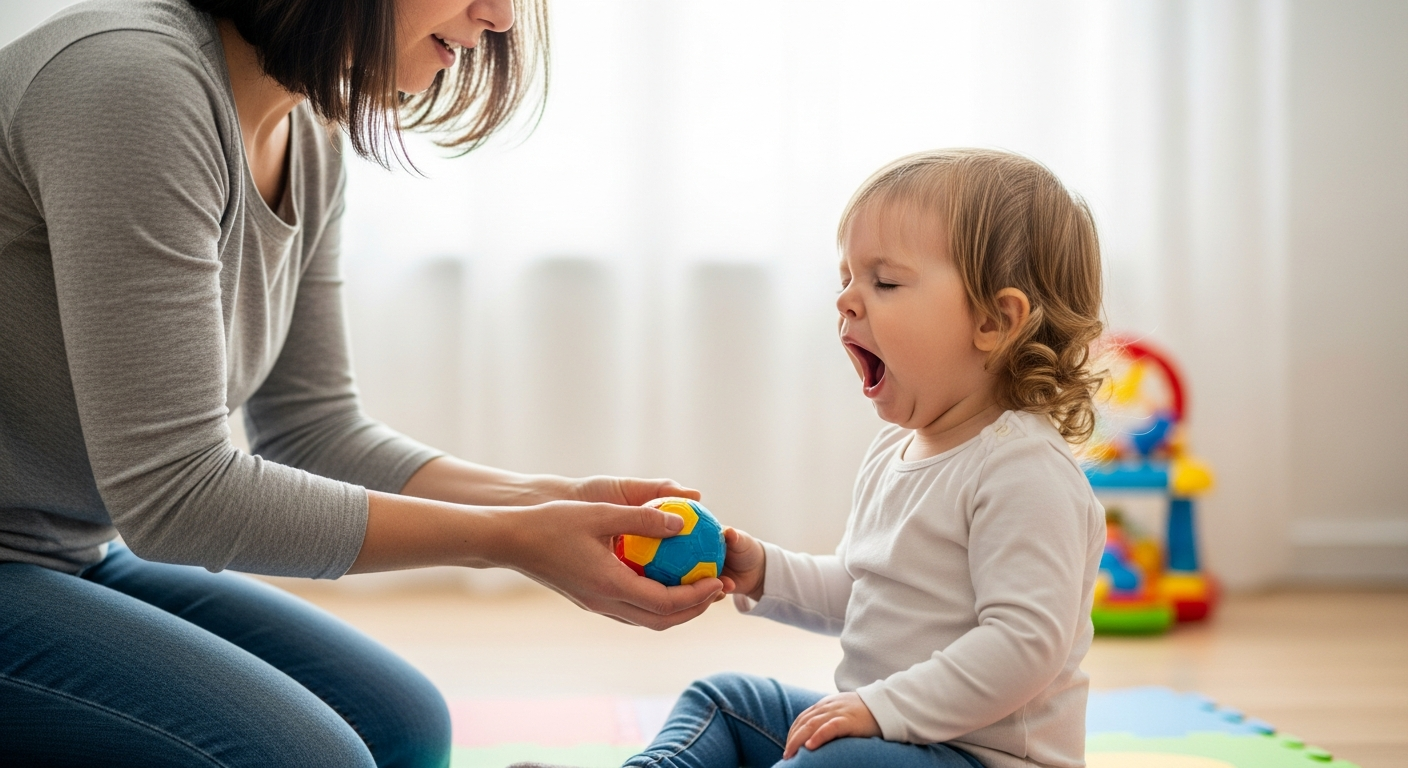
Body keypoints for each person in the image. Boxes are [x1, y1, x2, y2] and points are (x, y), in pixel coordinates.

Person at [0, 1, 725, 766]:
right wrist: (508, 541)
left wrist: (547, 502)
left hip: (60, 549)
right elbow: (176, 498)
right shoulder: (130, 85)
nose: (502, 16)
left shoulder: (306, 135)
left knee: (405, 723)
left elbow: (313, 427)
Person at [621, 149, 1108, 768]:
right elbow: (863, 591)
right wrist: (763, 570)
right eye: (845, 278)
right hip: (890, 738)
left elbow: (1024, 646)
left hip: (978, 756)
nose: (847, 301)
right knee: (723, 700)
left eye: (884, 282)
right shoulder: (896, 450)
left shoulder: (1024, 471)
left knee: (835, 761)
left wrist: (879, 709)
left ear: (993, 319)